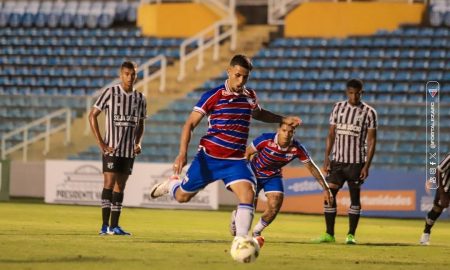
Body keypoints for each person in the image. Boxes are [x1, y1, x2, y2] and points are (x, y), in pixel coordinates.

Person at [149, 54, 300, 242]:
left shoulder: (250, 96)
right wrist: (182, 154)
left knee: (248, 193)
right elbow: (189, 125)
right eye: (237, 75)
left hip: (236, 161)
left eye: (245, 77)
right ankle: (171, 184)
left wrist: (282, 119)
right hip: (209, 158)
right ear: (229, 71)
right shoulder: (213, 95)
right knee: (182, 197)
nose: (241, 80)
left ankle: (241, 241)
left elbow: (259, 113)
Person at [229, 123, 333, 247]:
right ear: (279, 130)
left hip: (273, 176)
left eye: (290, 132)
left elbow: (311, 167)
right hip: (254, 173)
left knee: (275, 204)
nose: (286, 134)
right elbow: (247, 153)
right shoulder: (265, 139)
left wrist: (326, 188)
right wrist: (244, 174)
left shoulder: (297, 148)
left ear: (293, 133)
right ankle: (237, 216)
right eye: (284, 130)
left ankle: (256, 232)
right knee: (251, 207)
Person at [314, 79, 377, 244]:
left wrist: (367, 166)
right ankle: (329, 234)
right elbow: (331, 135)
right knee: (329, 195)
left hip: (356, 163)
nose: (354, 96)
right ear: (347, 92)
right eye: (351, 93)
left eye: (357, 93)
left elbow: (371, 142)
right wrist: (327, 159)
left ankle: (350, 235)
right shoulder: (338, 108)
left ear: (362, 93)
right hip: (338, 162)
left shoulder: (369, 113)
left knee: (354, 198)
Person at [89, 61, 147, 235]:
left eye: (133, 74)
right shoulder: (110, 92)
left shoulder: (140, 98)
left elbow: (141, 123)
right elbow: (92, 115)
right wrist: (101, 143)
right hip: (111, 149)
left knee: (120, 187)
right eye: (127, 74)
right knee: (109, 183)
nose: (130, 77)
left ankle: (115, 226)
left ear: (136, 75)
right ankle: (104, 226)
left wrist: (138, 142)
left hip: (128, 151)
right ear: (121, 75)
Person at [420, 152, 450, 245]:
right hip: (446, 188)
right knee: (437, 209)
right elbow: (438, 170)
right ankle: (426, 232)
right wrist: (442, 194)